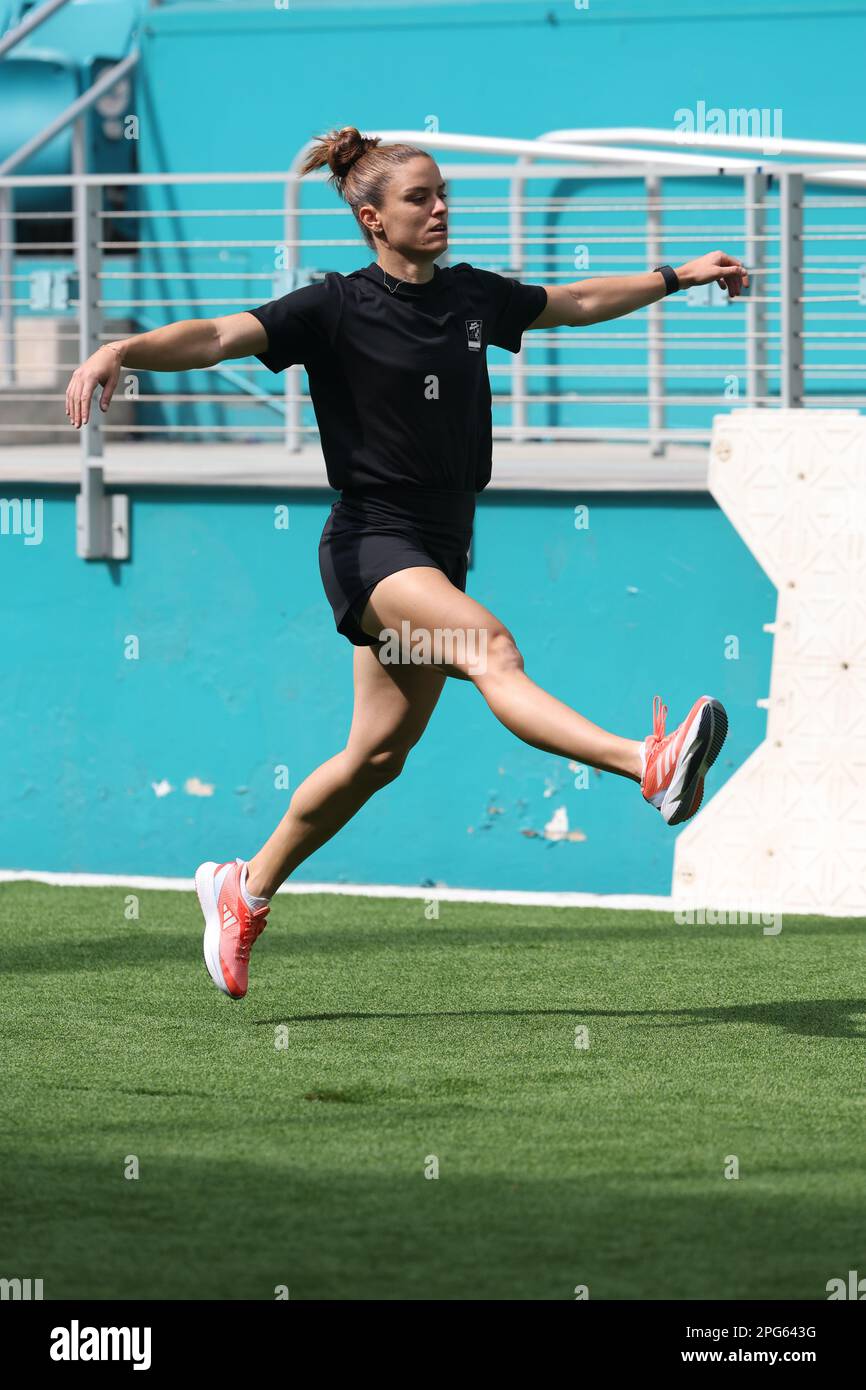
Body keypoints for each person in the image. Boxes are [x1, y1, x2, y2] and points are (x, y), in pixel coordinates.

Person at [65, 125, 748, 1001]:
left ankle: (244, 888)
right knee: (491, 651)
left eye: (443, 195)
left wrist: (676, 275)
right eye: (420, 198)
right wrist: (120, 349)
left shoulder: (470, 297)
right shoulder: (332, 307)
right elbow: (214, 336)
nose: (440, 209)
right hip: (371, 544)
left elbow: (572, 301)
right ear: (370, 217)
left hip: (441, 545)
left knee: (377, 757)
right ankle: (644, 763)